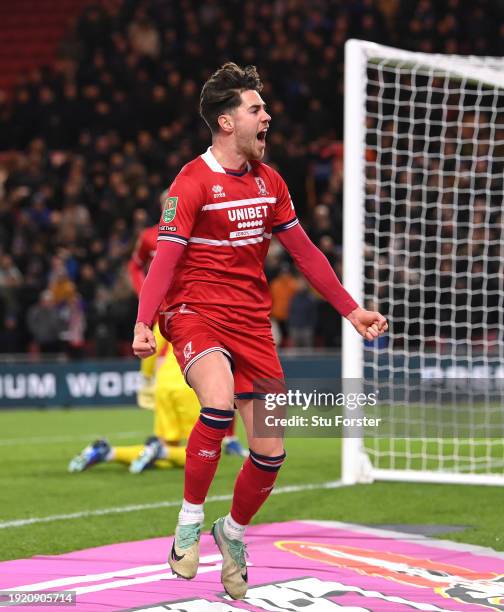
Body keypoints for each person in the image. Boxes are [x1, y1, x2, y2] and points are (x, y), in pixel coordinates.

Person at [132, 62, 387, 600]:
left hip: (252, 322)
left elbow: (305, 253)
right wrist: (143, 322)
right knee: (218, 404)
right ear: (227, 122)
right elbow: (164, 258)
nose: (267, 116)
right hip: (195, 312)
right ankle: (187, 527)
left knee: (271, 452)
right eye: (256, 109)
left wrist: (350, 309)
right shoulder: (192, 181)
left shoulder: (272, 182)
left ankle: (232, 533)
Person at [128, 207, 246, 456]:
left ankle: (229, 437)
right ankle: (165, 437)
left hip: (196, 309)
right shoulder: (150, 237)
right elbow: (135, 266)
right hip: (161, 313)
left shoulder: (200, 233)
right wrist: (145, 295)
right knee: (157, 370)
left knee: (224, 369)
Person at [68, 325, 199, 474]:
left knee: (168, 448)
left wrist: (147, 377)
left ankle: (108, 452)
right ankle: (159, 452)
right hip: (191, 382)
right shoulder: (212, 311)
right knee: (200, 453)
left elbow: (151, 343)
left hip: (163, 384)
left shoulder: (171, 312)